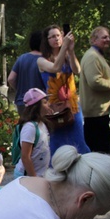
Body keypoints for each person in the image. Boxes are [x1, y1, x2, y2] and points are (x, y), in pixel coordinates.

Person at [38, 25, 90, 157]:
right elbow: (56, 67)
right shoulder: (41, 60)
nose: (56, 39)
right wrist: (65, 47)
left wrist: (71, 51)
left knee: (78, 139)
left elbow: (77, 70)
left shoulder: (67, 55)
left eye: (58, 36)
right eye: (52, 37)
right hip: (54, 109)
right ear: (47, 40)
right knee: (57, 142)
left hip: (72, 106)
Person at [79, 27, 110, 154]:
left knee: (101, 150)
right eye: (104, 37)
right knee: (99, 152)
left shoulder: (97, 55)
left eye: (108, 37)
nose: (107, 39)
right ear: (93, 40)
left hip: (99, 112)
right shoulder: (92, 56)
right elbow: (95, 81)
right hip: (96, 113)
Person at [13, 88, 52, 178]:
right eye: (45, 102)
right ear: (36, 106)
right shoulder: (30, 127)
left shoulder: (42, 123)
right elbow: (25, 157)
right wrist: (34, 179)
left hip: (40, 175)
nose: (48, 104)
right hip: (27, 177)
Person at [7, 31, 45, 113]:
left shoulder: (22, 58)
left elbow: (10, 79)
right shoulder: (45, 60)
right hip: (39, 102)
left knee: (26, 125)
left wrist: (20, 90)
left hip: (22, 101)